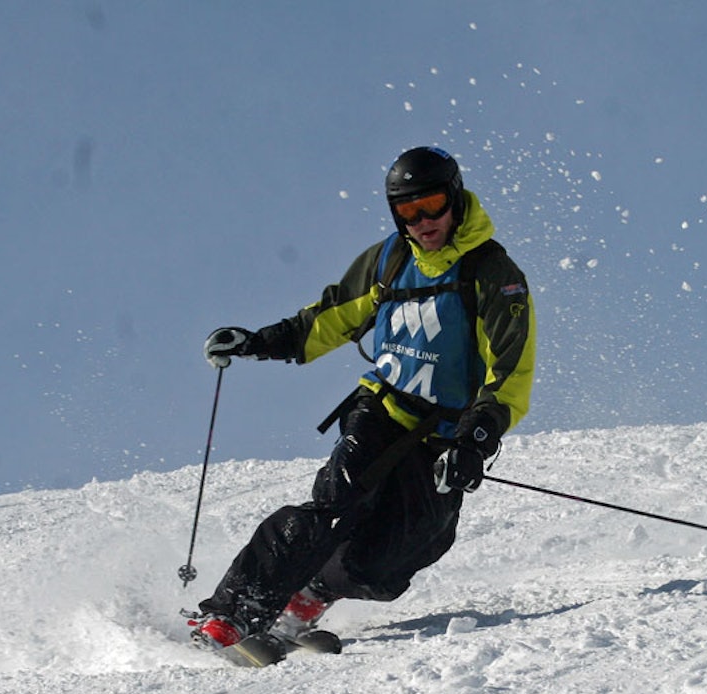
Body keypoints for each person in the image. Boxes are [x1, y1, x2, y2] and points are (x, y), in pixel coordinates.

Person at [187, 146, 535, 657]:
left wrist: (475, 440)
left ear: (456, 199)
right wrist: (259, 342)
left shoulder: (493, 273)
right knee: (335, 509)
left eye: (433, 205)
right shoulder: (391, 260)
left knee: (406, 550)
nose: (423, 222)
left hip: (444, 433)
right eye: (408, 211)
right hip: (382, 411)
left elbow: (509, 373)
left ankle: (307, 598)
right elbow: (330, 317)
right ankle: (231, 614)